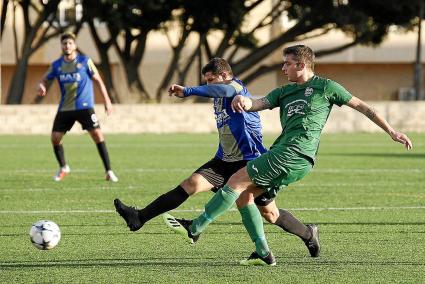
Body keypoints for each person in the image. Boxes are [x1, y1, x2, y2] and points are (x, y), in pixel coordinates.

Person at [164, 45, 413, 266]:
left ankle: (195, 228)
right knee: (249, 200)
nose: (283, 67)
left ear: (301, 65)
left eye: (287, 63)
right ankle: (279, 246)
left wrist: (391, 131)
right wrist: (242, 99)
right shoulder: (284, 92)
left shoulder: (326, 87)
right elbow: (257, 103)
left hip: (295, 153)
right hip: (282, 153)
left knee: (235, 183)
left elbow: (363, 107)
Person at [114, 58, 320, 257]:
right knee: (191, 183)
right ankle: (139, 217)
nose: (209, 85)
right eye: (206, 81)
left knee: (270, 213)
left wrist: (188, 90)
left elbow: (225, 89)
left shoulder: (236, 88)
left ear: (224, 75)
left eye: (211, 79)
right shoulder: (218, 99)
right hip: (224, 160)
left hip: (251, 160)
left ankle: (308, 234)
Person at [37, 32, 118, 182]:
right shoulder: (56, 65)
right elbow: (44, 79)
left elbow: (98, 80)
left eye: (69, 43)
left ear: (74, 45)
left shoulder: (85, 61)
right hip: (65, 108)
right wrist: (42, 86)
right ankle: (63, 167)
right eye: (64, 43)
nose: (67, 46)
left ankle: (109, 171)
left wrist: (107, 100)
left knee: (97, 135)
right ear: (61, 46)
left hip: (85, 106)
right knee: (55, 138)